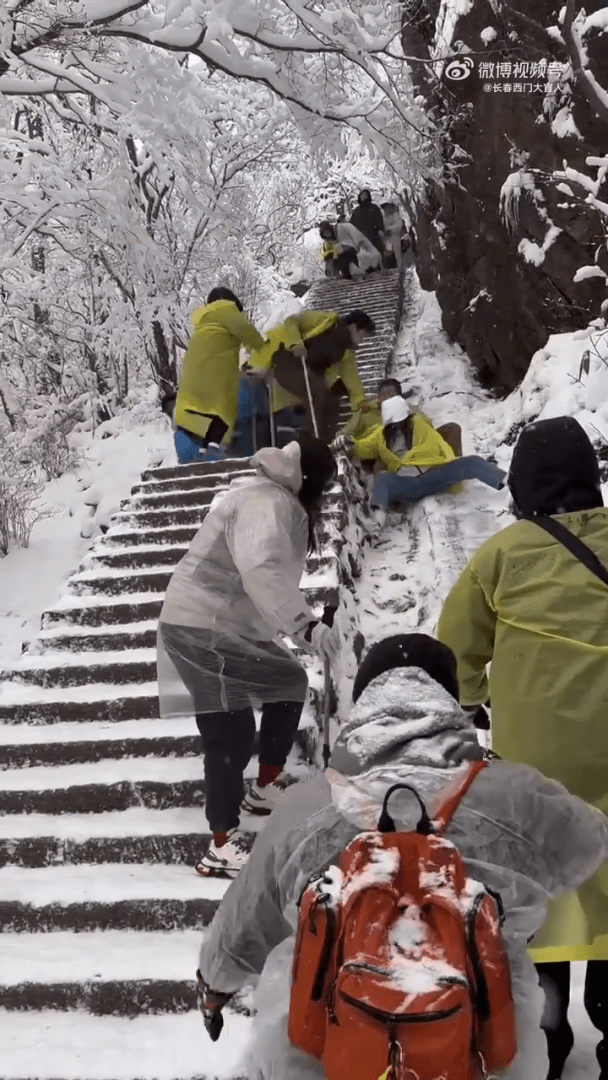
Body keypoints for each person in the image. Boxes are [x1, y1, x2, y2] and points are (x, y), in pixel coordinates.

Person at [197, 633, 608, 1080]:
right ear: (453, 704)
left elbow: (245, 923)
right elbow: (589, 846)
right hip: (484, 1047)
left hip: (322, 1051)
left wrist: (215, 987)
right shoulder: (519, 797)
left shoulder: (304, 809)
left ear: (363, 706)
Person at [437, 415, 608, 1080]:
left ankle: (549, 1029)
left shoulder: (501, 554)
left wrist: (477, 694)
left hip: (539, 759)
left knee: (546, 884)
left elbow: (456, 655)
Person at [157, 437, 339, 877]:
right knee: (231, 733)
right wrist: (305, 625)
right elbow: (261, 569)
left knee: (287, 682)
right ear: (310, 480)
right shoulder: (266, 503)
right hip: (202, 625)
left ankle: (263, 787)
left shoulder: (271, 498)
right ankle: (220, 844)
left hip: (228, 626)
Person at [334, 393, 505, 510]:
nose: (398, 429)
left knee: (472, 462)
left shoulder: (420, 424)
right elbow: (362, 448)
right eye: (393, 426)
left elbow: (436, 444)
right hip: (409, 484)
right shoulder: (380, 436)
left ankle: (508, 484)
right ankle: (376, 522)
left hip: (433, 475)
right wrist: (349, 443)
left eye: (401, 424)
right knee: (384, 480)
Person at [249, 309, 377, 445]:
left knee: (331, 398)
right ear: (353, 327)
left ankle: (326, 442)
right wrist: (295, 343)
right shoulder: (325, 321)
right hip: (289, 361)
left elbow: (352, 379)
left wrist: (360, 402)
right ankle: (311, 440)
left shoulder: (347, 353)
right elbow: (291, 321)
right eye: (362, 336)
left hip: (312, 374)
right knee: (317, 388)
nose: (360, 342)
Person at [174, 287, 265, 465]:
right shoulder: (226, 309)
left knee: (202, 412)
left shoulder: (202, 322)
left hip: (192, 376)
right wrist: (262, 348)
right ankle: (213, 449)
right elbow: (247, 332)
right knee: (223, 409)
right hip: (215, 371)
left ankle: (201, 450)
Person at [349, 188, 385, 255]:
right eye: (362, 195)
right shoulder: (357, 210)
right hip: (360, 237)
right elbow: (352, 224)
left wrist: (381, 229)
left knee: (376, 254)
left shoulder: (374, 208)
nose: (364, 196)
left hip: (373, 235)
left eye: (366, 194)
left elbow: (380, 220)